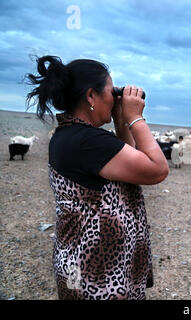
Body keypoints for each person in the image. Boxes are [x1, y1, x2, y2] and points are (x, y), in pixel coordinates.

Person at [25, 55, 169, 300]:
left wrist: (120, 121)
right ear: (91, 96)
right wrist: (135, 117)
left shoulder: (70, 135)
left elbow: (130, 168)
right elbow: (157, 170)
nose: (115, 98)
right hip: (100, 277)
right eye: (111, 92)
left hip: (84, 262)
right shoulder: (89, 143)